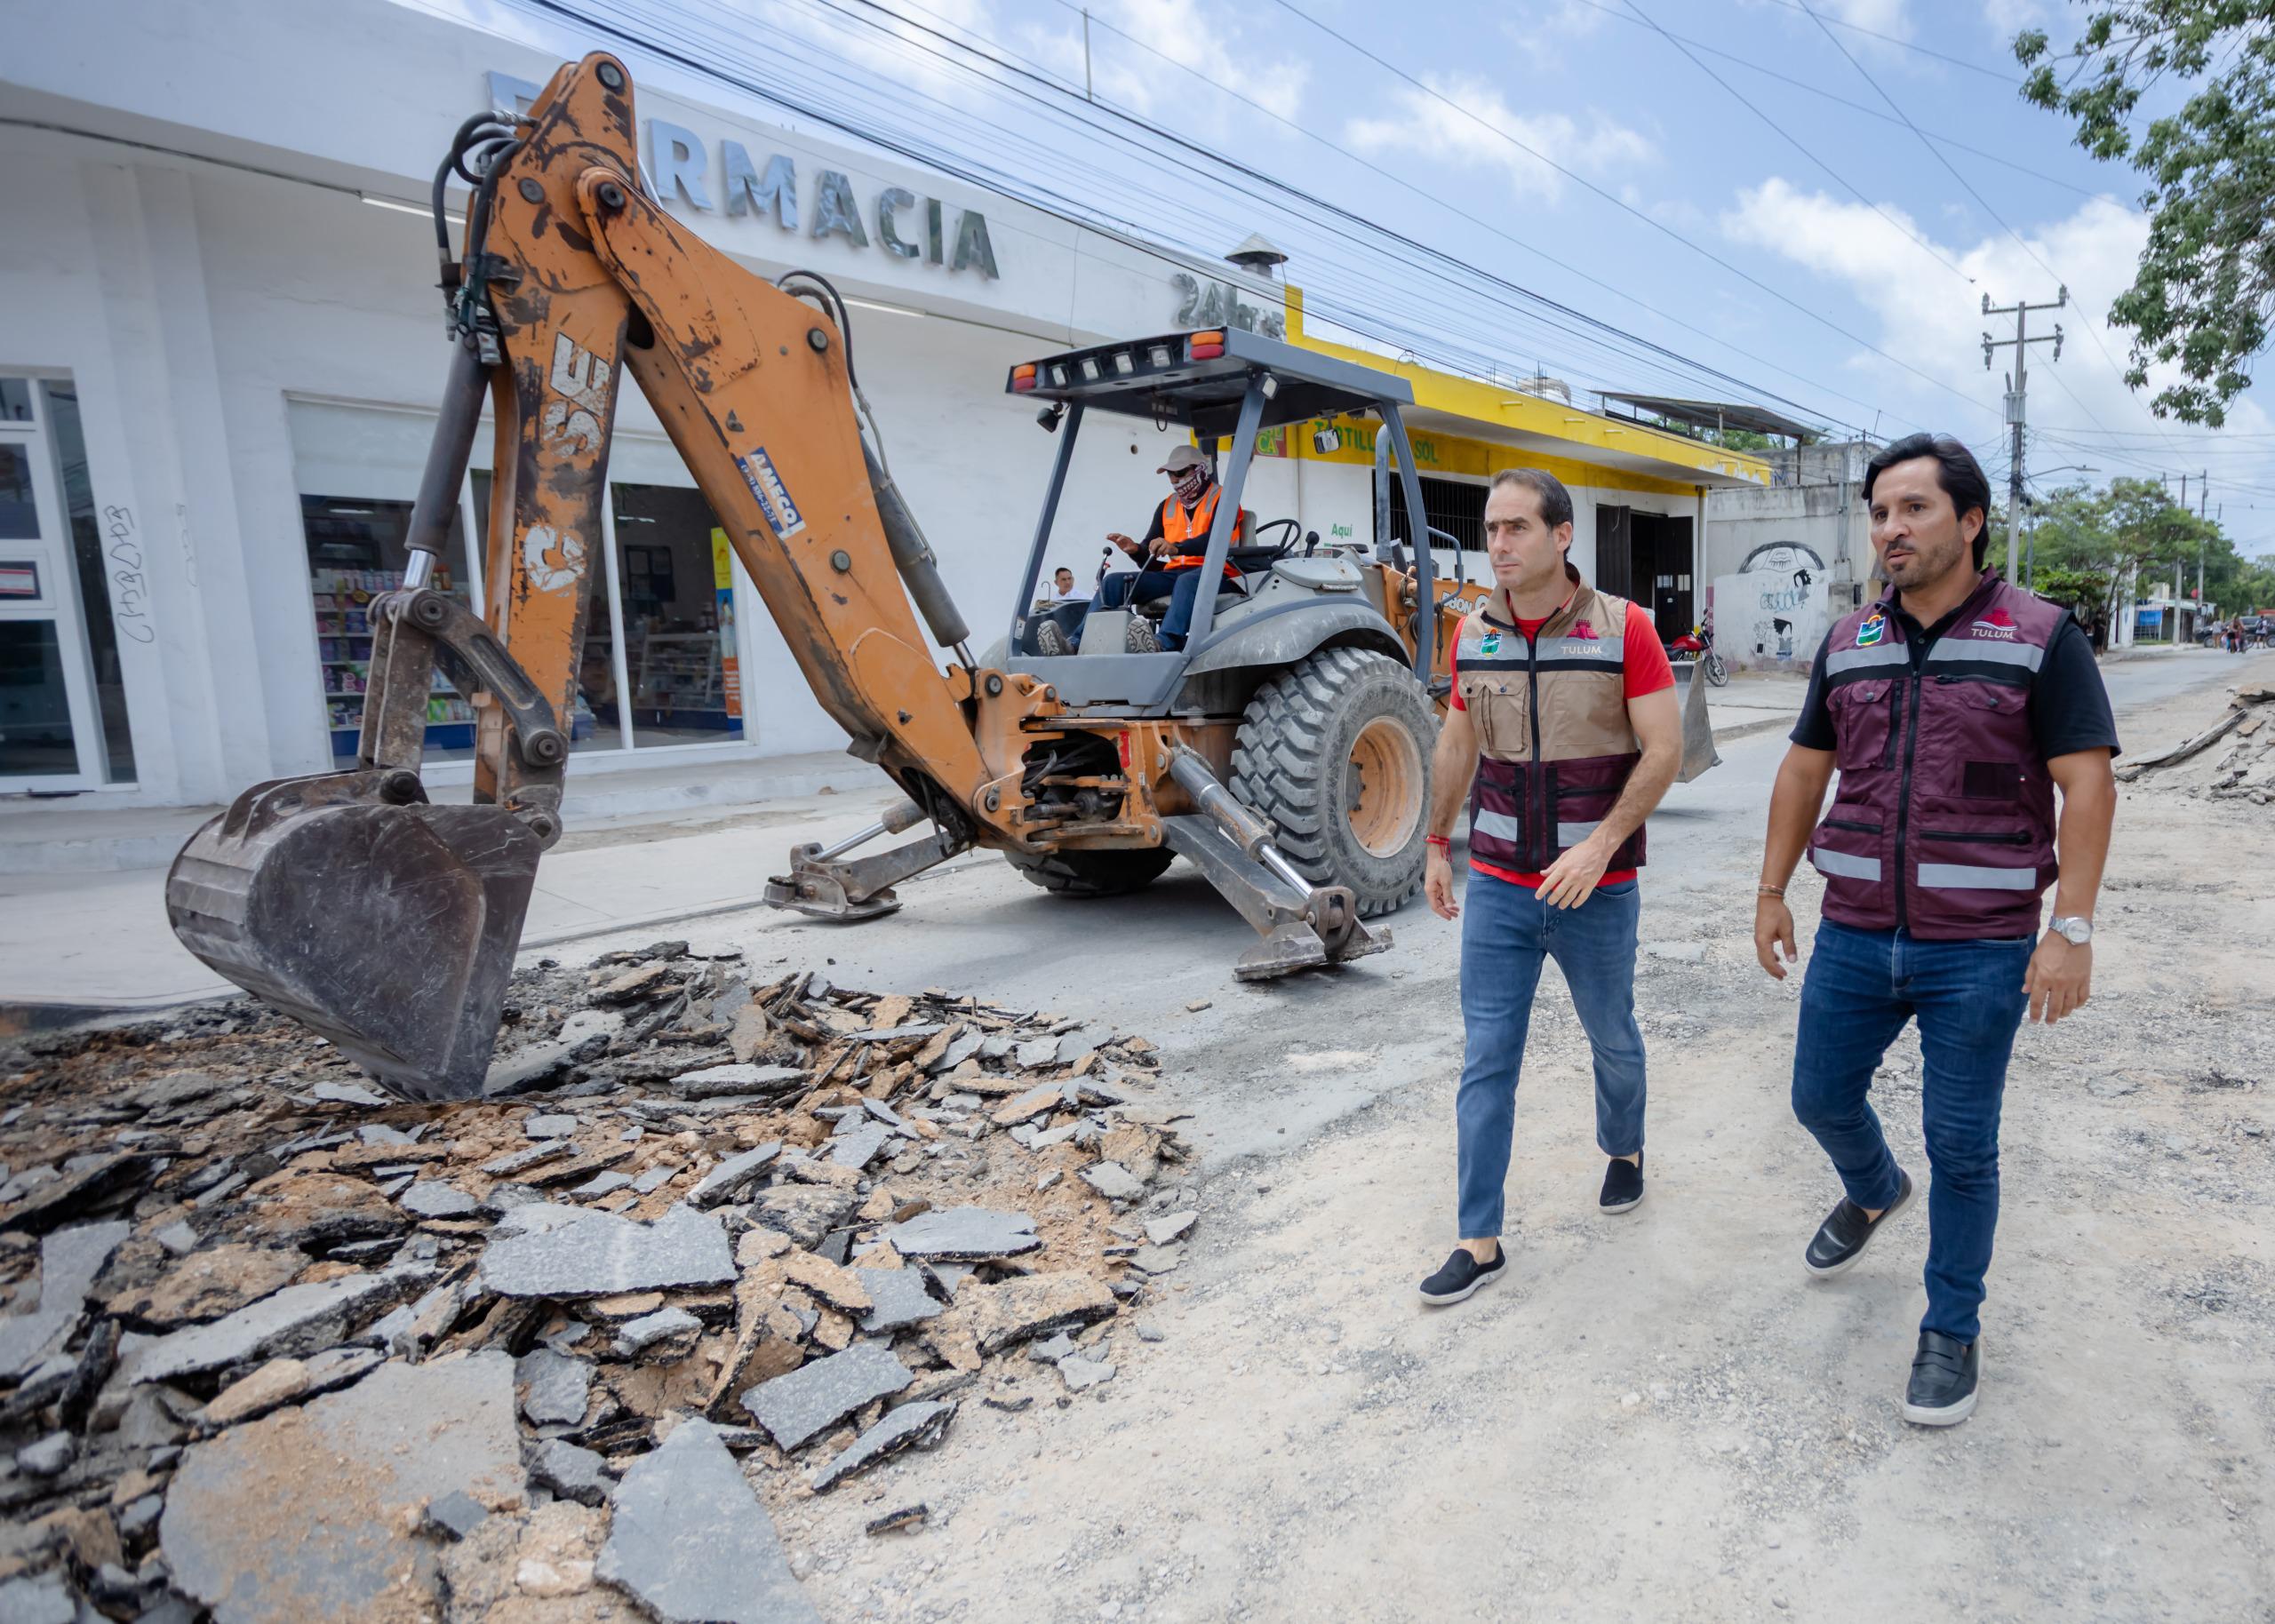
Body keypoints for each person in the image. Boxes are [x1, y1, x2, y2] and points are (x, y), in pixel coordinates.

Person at [1753, 433, 2117, 1428]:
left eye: (1912, 509)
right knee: (1818, 1096)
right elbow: (1801, 770)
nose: (1890, 529)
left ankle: (1949, 1326)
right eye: (1879, 512)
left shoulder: (2038, 635)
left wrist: (2069, 928)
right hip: (1858, 931)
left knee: (1963, 1143)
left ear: (1969, 521)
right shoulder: (1848, 641)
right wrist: (1771, 889)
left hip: (1983, 946)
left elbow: (2086, 780)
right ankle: (1873, 1190)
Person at [1416, 468, 1683, 1307]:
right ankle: (1478, 1239)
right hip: (1497, 883)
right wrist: (1433, 842)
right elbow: (1458, 745)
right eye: (1492, 529)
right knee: (1487, 1058)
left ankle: (1625, 1147)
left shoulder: (1626, 630)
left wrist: (1603, 847)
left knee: (1612, 1035)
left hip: (1594, 889)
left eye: (1516, 528)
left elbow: (1665, 750)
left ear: (1563, 536)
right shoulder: (1471, 635)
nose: (1499, 545)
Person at [1033, 445, 1248, 655]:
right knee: (1113, 582)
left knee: (1187, 581)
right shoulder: (1167, 506)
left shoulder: (1224, 500)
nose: (1174, 480)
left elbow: (1215, 541)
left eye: (1180, 473)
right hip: (1175, 576)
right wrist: (1135, 550)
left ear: (1200, 470)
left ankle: (1165, 643)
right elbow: (1152, 562)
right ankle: (1075, 644)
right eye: (1171, 474)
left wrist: (1176, 547)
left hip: (1220, 575)